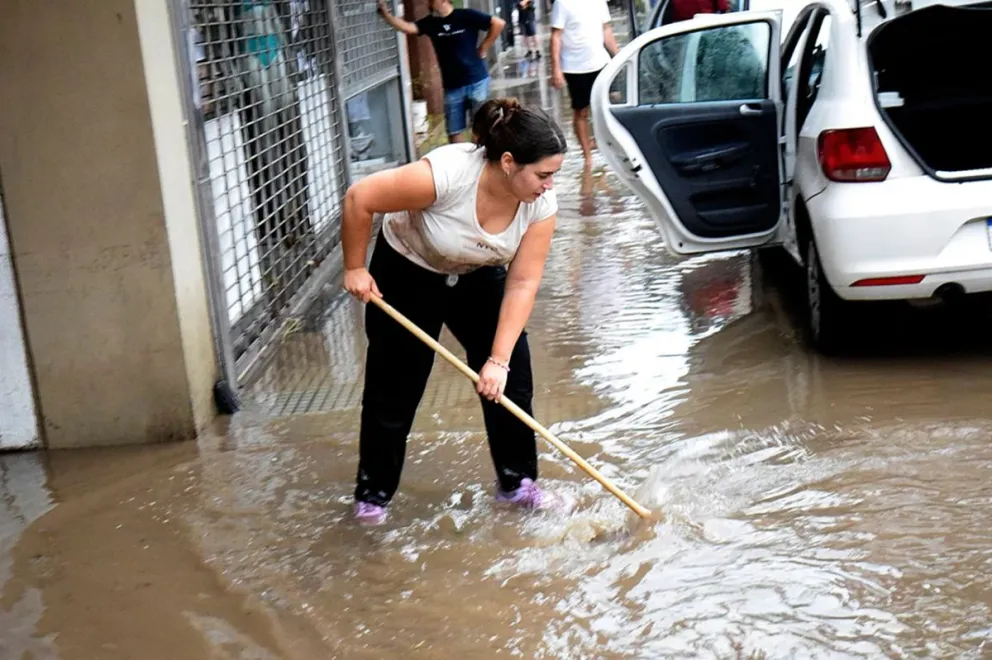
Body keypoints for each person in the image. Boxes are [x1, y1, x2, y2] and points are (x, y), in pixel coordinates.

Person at [341, 98, 568, 525]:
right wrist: (354, 267)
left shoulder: (541, 205)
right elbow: (360, 198)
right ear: (507, 162)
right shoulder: (445, 176)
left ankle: (517, 484)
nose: (549, 185)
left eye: (553, 174)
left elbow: (523, 282)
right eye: (543, 174)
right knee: (396, 388)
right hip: (410, 267)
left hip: (478, 273)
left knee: (512, 382)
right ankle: (373, 496)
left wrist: (496, 361)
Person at [377, 0, 504, 143]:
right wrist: (387, 16)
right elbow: (408, 28)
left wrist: (484, 47)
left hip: (476, 81)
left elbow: (498, 23)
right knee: (454, 131)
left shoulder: (466, 15)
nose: (429, 4)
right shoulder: (431, 23)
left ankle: (480, 160)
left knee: (481, 127)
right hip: (452, 86)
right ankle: (461, 163)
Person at [550, 0, 619, 165]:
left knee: (611, 102)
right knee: (581, 112)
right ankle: (587, 155)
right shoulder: (562, 3)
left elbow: (606, 29)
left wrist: (618, 56)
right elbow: (556, 36)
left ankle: (602, 144)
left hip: (601, 62)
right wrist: (556, 69)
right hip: (575, 67)